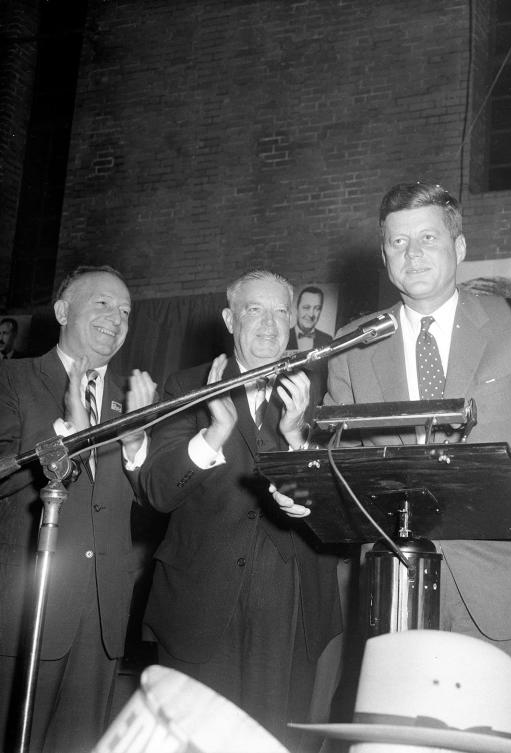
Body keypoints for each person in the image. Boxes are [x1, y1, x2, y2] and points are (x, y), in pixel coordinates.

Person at [321, 182, 511, 715]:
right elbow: (338, 457)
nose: (413, 254)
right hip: (390, 588)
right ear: (383, 256)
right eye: (398, 243)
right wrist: (304, 492)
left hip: (495, 589)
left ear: (460, 247)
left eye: (427, 238)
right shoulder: (351, 344)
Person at [138, 269, 341, 749]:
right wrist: (212, 435)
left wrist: (296, 439)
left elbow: (339, 514)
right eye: (255, 310)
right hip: (201, 603)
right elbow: (156, 492)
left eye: (280, 313)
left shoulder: (320, 393)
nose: (270, 325)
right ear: (230, 319)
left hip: (290, 603)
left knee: (276, 741)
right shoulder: (188, 385)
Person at [0, 266, 156, 753]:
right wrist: (68, 432)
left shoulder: (127, 400)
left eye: (126, 311)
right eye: (104, 304)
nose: (117, 318)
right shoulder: (13, 378)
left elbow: (150, 500)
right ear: (64, 311)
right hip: (28, 608)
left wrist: (136, 446)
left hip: (102, 621)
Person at [287, 285, 333, 352]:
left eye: (317, 308)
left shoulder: (327, 339)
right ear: (297, 308)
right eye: (306, 307)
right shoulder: (285, 336)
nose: (311, 314)